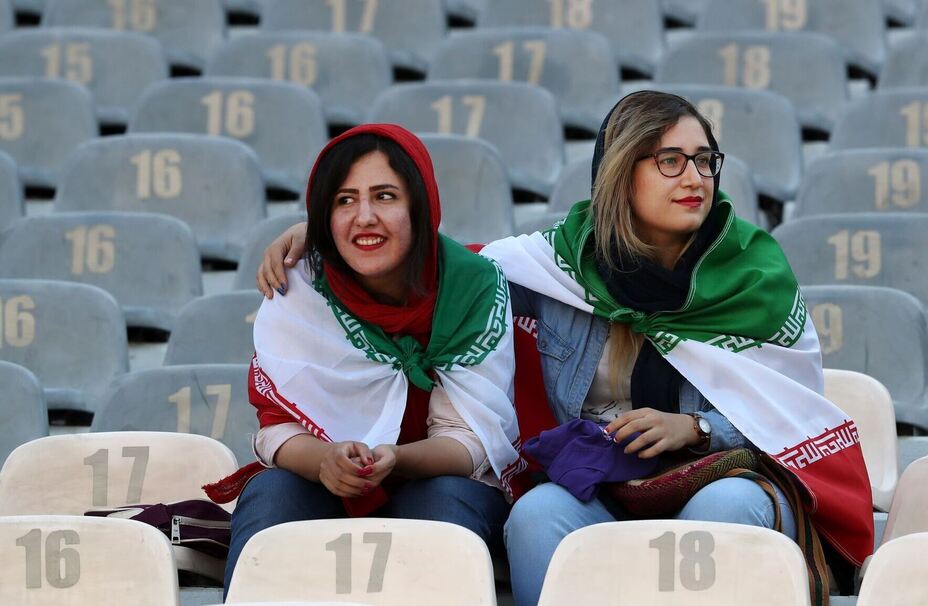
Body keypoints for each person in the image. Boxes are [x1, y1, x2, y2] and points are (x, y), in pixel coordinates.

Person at [255, 93, 874, 606]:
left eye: (705, 160)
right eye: (670, 161)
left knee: (726, 503)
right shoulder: (557, 267)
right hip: (602, 486)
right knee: (537, 513)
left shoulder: (754, 277)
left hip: (729, 476)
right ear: (620, 172)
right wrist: (327, 234)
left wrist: (695, 427)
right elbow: (442, 270)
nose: (695, 177)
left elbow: (788, 413)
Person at [219, 123, 527, 593]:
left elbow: (469, 443)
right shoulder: (300, 284)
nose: (363, 217)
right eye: (344, 201)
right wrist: (325, 461)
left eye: (385, 197)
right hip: (326, 477)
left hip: (437, 476)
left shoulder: (472, 287)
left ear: (420, 208)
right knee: (272, 492)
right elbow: (275, 429)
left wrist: (395, 458)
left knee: (443, 501)